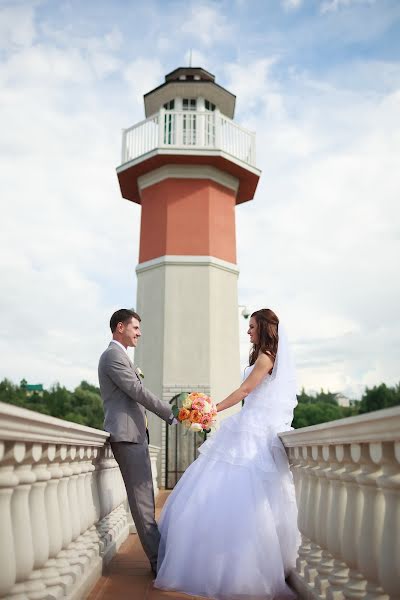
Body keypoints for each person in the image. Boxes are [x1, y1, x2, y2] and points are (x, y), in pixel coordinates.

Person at [154, 308, 300, 599]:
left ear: (264, 328)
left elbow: (246, 391)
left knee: (238, 492)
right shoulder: (262, 356)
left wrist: (212, 408)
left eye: (252, 326)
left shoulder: (266, 358)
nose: (248, 331)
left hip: (253, 430)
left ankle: (240, 569)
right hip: (248, 424)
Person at [98, 308, 176, 576]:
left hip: (135, 436)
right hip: (127, 437)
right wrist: (169, 412)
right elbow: (137, 391)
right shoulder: (112, 357)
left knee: (145, 501)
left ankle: (160, 558)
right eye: (135, 328)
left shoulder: (120, 356)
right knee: (143, 504)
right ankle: (160, 563)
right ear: (120, 327)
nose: (139, 333)